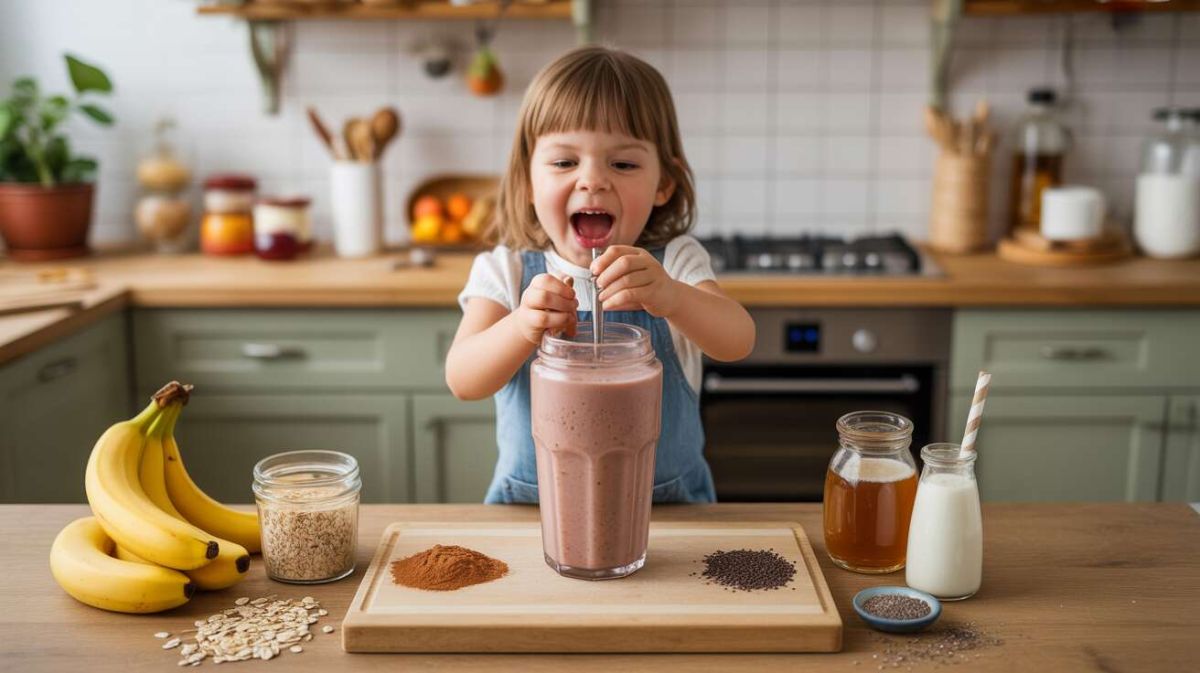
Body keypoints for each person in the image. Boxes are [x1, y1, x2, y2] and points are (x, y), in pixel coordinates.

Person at [445, 45, 755, 504]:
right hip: (531, 518)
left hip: (668, 521)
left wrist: (671, 297)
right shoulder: (505, 271)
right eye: (565, 162)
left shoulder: (675, 264)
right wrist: (522, 325)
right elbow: (462, 379)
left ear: (663, 184)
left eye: (623, 163)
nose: (593, 180)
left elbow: (738, 339)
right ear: (529, 181)